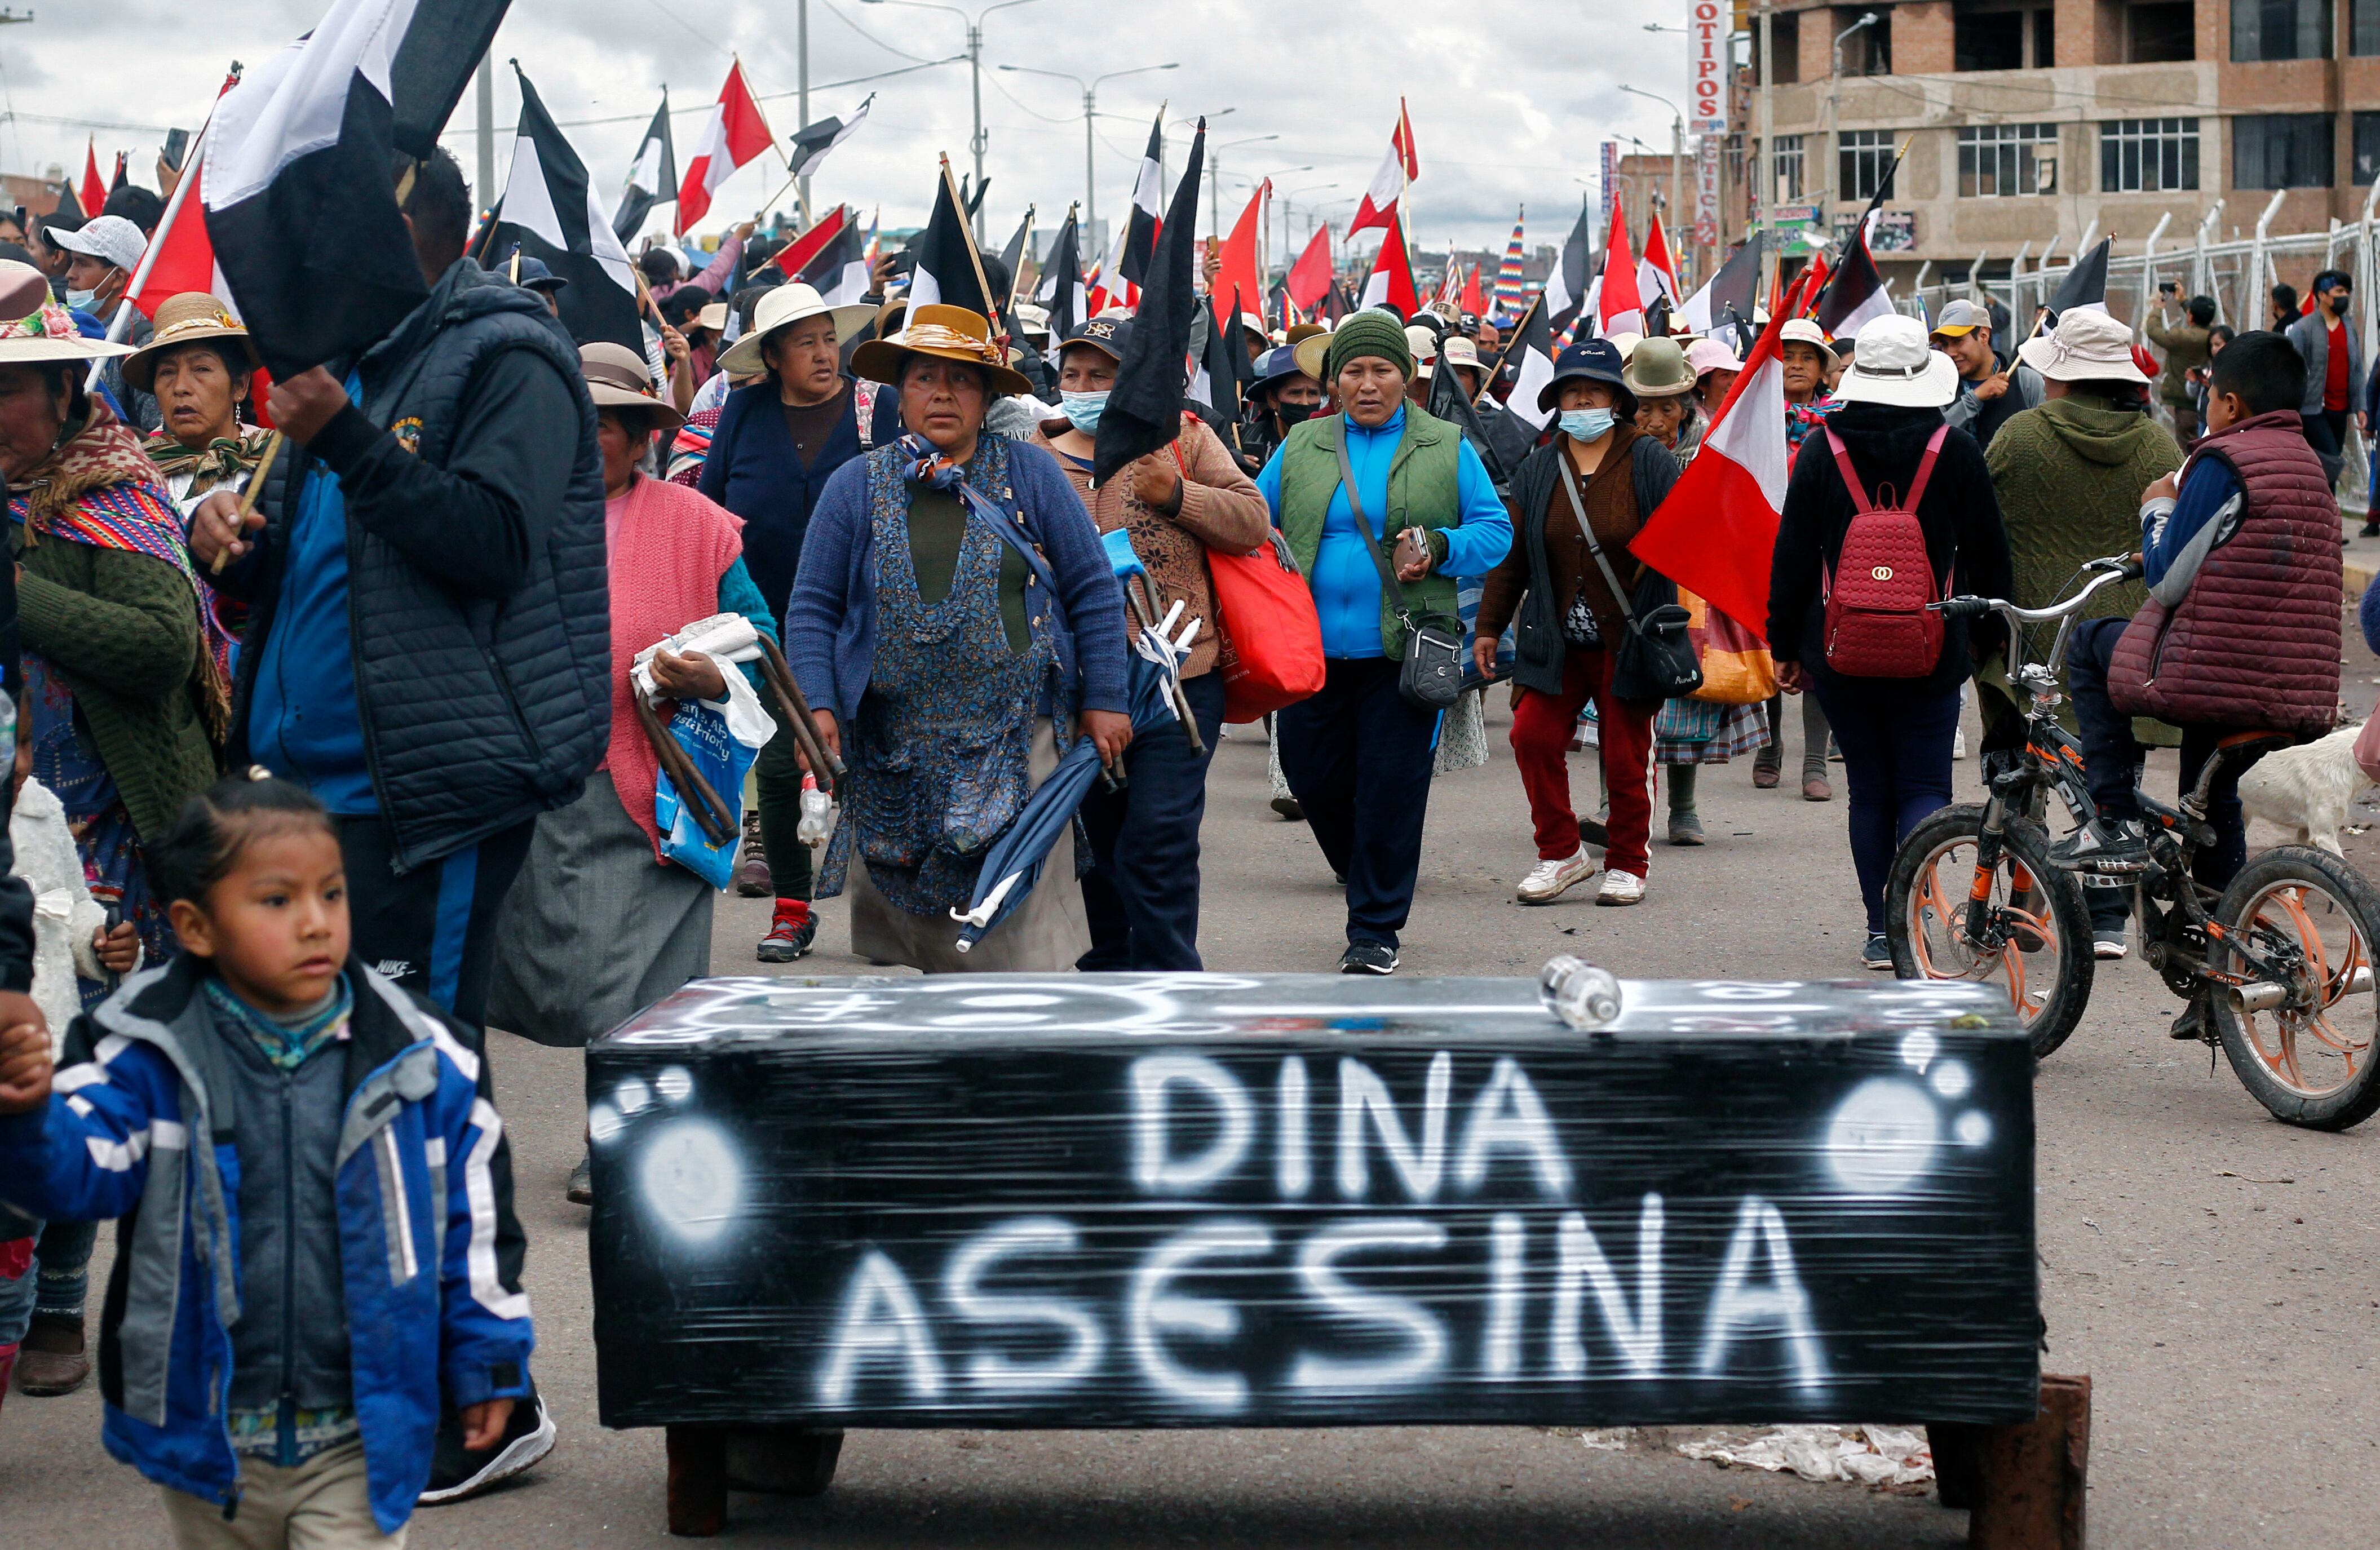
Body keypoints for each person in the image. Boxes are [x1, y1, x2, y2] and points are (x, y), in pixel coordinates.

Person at [187, 147, 594, 1498]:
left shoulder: (508, 356)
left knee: (427, 1088)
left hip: (424, 795)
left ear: (418, 237)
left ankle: (494, 1397)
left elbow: (487, 542)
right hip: (308, 801)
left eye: (340, 246)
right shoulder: (354, 365)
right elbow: (323, 579)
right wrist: (237, 568)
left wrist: (343, 439)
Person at [0, 772, 537, 1545]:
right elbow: (75, 1174)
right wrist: (23, 1110)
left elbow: (475, 1224)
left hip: (364, 1430)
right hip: (208, 1433)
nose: (316, 922)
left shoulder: (424, 1055)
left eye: (332, 894)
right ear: (195, 926)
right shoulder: (141, 1046)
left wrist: (489, 1356)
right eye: (278, 901)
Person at [489, 346, 773, 1202]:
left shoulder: (696, 525)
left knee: (652, 988)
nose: (591, 439)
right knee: (560, 970)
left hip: (663, 784)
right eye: (576, 421)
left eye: (610, 423)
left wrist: (713, 675)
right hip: (542, 788)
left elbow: (756, 638)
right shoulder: (510, 520)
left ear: (645, 433)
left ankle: (613, 1139)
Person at [785, 303, 1132, 972]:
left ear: (987, 396)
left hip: (1018, 736)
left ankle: (1019, 1065)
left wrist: (1107, 697)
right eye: (923, 379)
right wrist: (817, 705)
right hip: (893, 746)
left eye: (962, 380)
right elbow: (812, 608)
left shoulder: (1031, 474)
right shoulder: (853, 486)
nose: (942, 393)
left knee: (1016, 933)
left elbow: (1092, 587)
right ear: (900, 393)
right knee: (923, 938)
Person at [2064, 333, 2342, 1036]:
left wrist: (2157, 506)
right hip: (2290, 682)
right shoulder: (2306, 461)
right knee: (2211, 809)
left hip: (2216, 674)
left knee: (2090, 642)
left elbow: (2167, 576)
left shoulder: (2222, 461)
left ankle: (2113, 812)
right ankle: (2220, 984)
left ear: (2228, 401)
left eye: (2209, 396)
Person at [1258, 312, 1512, 972]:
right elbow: (1253, 522)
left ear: (1407, 375)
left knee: (1390, 789)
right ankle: (1359, 862)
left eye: (1382, 370)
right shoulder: (1302, 445)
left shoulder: (1445, 443)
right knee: (1312, 779)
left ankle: (1374, 930)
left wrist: (1443, 544)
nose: (1367, 384)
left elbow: (1496, 530)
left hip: (1402, 654)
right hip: (1309, 653)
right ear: (1333, 381)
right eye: (1354, 371)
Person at [1767, 313, 2012, 970]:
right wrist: (1988, 640)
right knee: (1926, 785)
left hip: (1840, 647)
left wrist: (1785, 644)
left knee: (1870, 790)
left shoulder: (1822, 450)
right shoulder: (1953, 448)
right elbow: (1990, 555)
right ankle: (1916, 915)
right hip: (1933, 645)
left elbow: (1791, 556)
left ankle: (1879, 928)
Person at [1028, 316, 1269, 971]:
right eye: (1072, 374)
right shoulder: (1031, 455)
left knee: (1156, 842)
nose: (1082, 386)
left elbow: (1252, 521)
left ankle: (1171, 984)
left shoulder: (1183, 439)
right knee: (1096, 848)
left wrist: (1178, 496)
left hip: (1180, 681)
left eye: (1100, 374)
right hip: (1076, 688)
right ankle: (1109, 976)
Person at [1983, 308, 2183, 958]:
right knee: (2113, 765)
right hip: (2128, 638)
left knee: (2029, 776)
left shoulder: (2018, 437)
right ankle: (2106, 916)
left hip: (2041, 635)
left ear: (2060, 377)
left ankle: (2024, 902)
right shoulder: (2159, 447)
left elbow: (1988, 531)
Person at [697, 282, 882, 958]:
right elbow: (711, 514)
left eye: (830, 338)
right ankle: (792, 907)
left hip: (867, 621)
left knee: (880, 762)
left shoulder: (874, 408)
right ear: (772, 356)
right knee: (777, 768)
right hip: (765, 624)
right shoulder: (743, 414)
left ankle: (896, 905)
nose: (824, 354)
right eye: (806, 343)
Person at [1476, 338, 1674, 907]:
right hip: (1555, 637)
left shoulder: (1648, 459)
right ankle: (1561, 852)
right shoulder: (1539, 465)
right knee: (1531, 736)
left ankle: (1628, 861)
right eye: (1571, 388)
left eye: (1593, 388)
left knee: (1623, 754)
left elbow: (1676, 546)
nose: (1581, 397)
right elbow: (1513, 553)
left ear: (1616, 397)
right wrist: (1489, 625)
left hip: (1629, 638)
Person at [1757, 318, 1841, 802]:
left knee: (1818, 646)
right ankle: (1770, 748)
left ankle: (1815, 760)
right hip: (1765, 541)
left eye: (1808, 357)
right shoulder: (1754, 420)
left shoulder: (1838, 421)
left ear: (1823, 370)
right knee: (1771, 639)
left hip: (1820, 546)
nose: (1796, 364)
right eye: (1788, 355)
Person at [122, 292, 274, 513]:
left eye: (201, 369)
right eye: (167, 372)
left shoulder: (276, 460)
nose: (180, 387)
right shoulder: (133, 474)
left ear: (240, 385)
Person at [50, 213, 157, 431]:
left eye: (82, 264)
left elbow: (156, 432)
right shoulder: (62, 326)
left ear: (118, 277)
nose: (70, 274)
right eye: (72, 262)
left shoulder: (140, 340)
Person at [2284, 269, 2359, 489]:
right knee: (2331, 460)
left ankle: (2326, 512)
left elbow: (2356, 368)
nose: (2344, 296)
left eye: (2347, 291)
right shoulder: (2303, 328)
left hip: (2340, 408)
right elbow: (2293, 369)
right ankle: (2324, 510)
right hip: (2313, 410)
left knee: (2329, 465)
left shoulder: (2349, 326)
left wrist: (2360, 406)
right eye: (2339, 291)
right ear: (2322, 294)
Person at [1932, 298, 2040, 451]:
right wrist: (1975, 398)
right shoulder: (1940, 388)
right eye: (1944, 345)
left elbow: (2045, 440)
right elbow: (1934, 442)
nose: (1950, 353)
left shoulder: (2026, 381)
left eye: (1958, 341)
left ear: (1983, 336)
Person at [2145, 287, 2216, 444]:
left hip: (2185, 403)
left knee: (2187, 447)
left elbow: (2153, 330)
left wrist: (2158, 308)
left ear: (2190, 316)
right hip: (2206, 399)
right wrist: (2184, 301)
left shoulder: (2182, 338)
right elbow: (2199, 318)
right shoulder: (2214, 336)